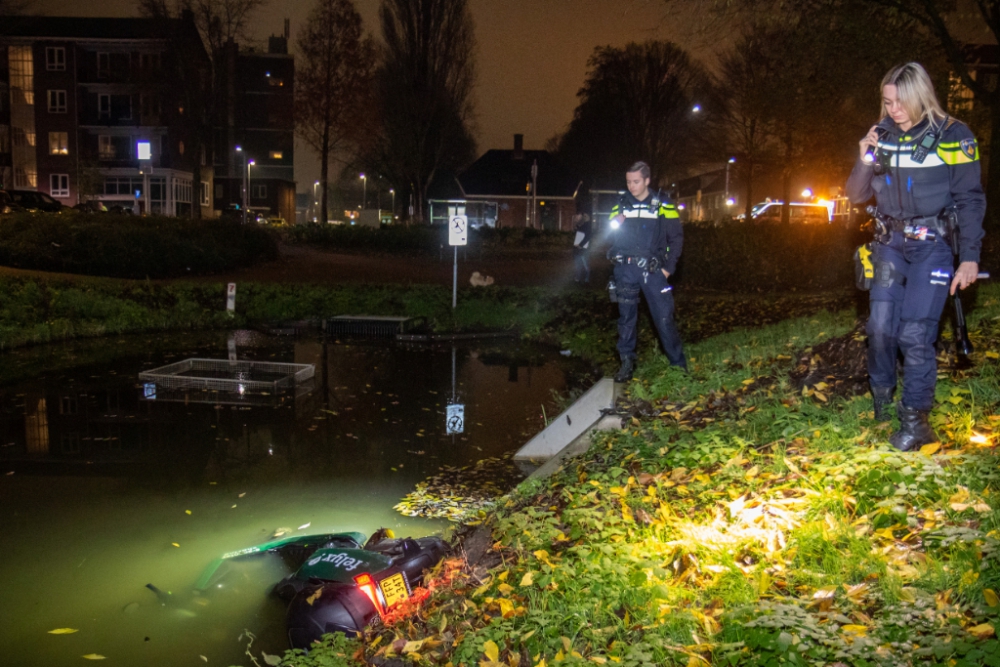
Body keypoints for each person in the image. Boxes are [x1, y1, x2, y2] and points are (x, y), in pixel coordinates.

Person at [846, 62, 985, 451]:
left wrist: (970, 256)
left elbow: (970, 199)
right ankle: (881, 397)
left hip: (932, 247)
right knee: (879, 329)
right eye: (887, 102)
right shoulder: (882, 135)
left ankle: (916, 421)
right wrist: (865, 157)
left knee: (915, 333)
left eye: (900, 102)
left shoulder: (954, 136)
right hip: (889, 244)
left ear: (921, 96)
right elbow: (856, 195)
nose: (893, 110)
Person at [607, 161, 686, 382]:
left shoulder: (663, 203)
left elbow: (676, 238)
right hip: (625, 270)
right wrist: (615, 223)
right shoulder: (620, 204)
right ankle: (626, 365)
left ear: (647, 180)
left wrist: (668, 269)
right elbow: (610, 233)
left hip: (653, 272)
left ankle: (678, 367)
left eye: (636, 181)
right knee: (626, 319)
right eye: (628, 182)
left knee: (663, 318)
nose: (631, 186)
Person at [572, 203, 593, 284]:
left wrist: (580, 245)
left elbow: (588, 236)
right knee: (578, 265)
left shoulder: (587, 226)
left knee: (585, 265)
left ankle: (586, 279)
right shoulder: (581, 225)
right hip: (578, 248)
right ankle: (578, 278)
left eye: (580, 215)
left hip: (583, 249)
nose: (577, 217)